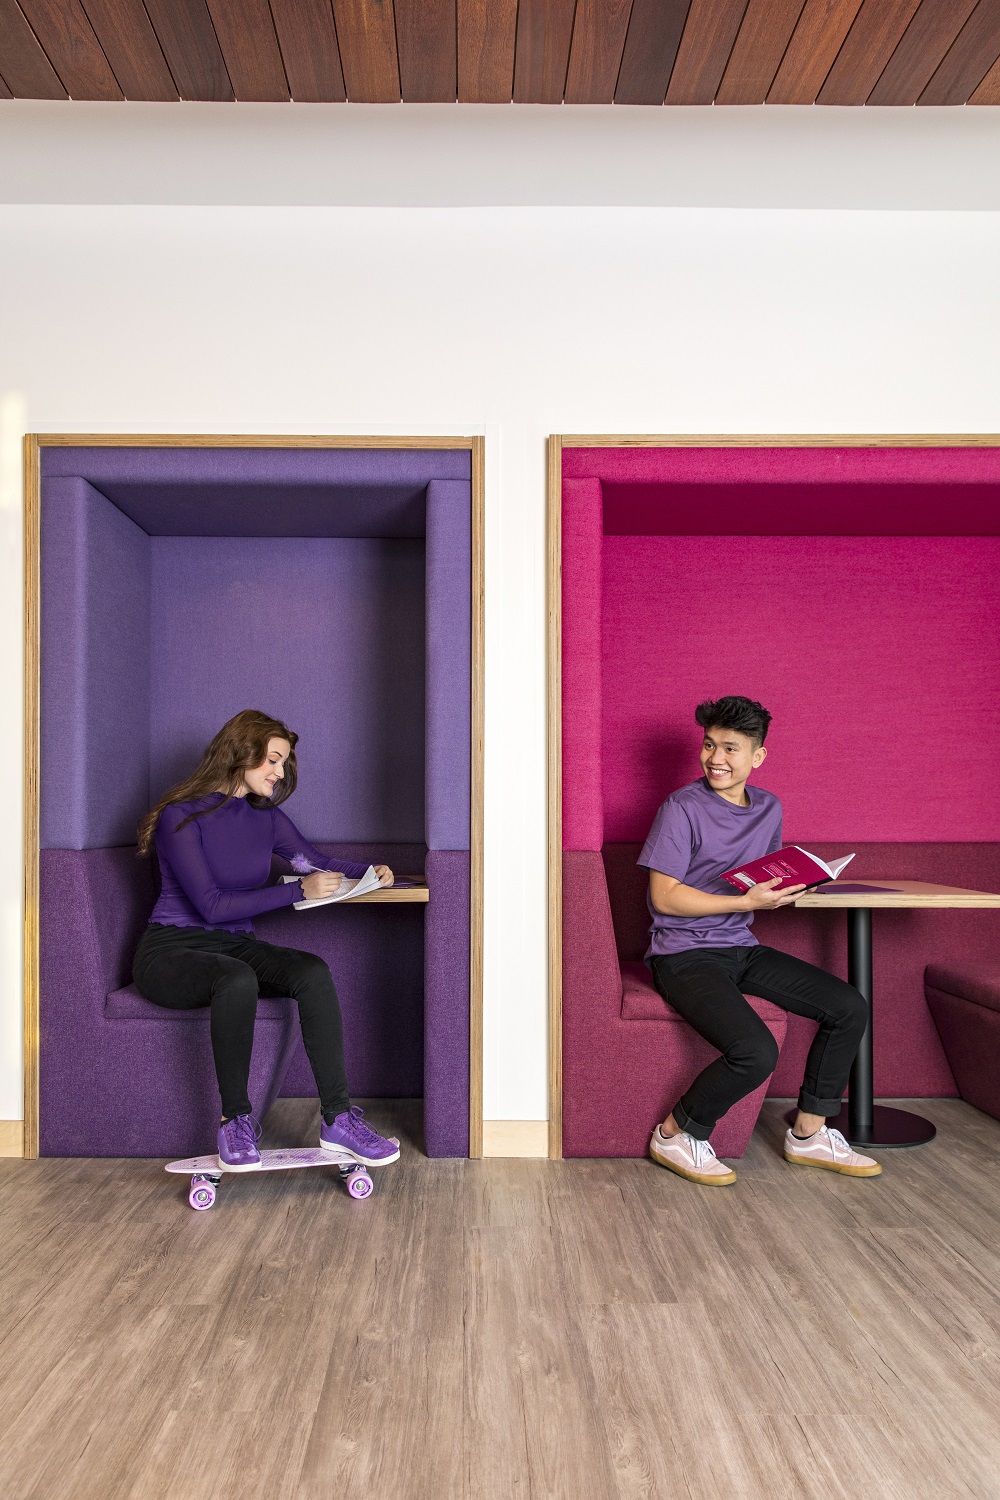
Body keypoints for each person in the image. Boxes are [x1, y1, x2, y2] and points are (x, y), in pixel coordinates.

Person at [133, 708, 401, 1173]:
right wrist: (296, 892)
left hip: (234, 947)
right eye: (273, 760)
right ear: (240, 753)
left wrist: (372, 872)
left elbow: (311, 860)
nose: (279, 772)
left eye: (283, 762)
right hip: (171, 950)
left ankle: (338, 1120)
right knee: (236, 978)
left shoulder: (265, 818)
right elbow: (211, 906)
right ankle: (235, 1121)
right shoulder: (182, 817)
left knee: (311, 971)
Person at [640, 695, 881, 1187]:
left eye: (730, 748)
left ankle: (809, 1132)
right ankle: (674, 1134)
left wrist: (793, 885)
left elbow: (760, 876)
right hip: (683, 954)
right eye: (709, 745)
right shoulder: (680, 808)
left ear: (758, 756)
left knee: (848, 1006)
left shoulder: (769, 808)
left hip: (740, 946)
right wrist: (747, 902)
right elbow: (664, 898)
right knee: (756, 1051)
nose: (715, 758)